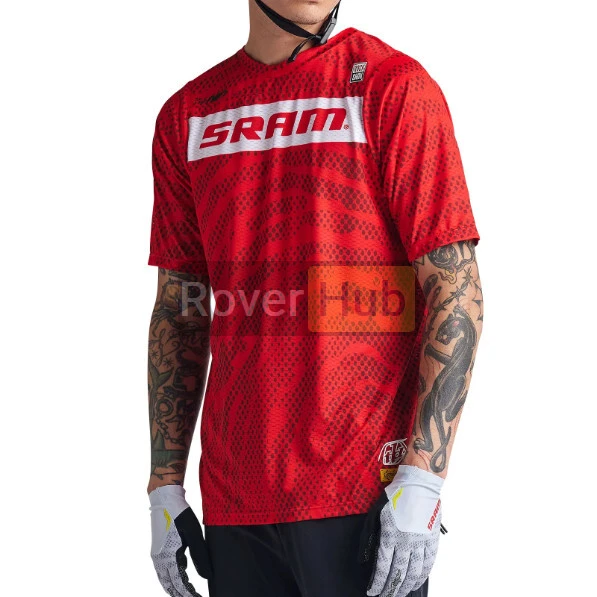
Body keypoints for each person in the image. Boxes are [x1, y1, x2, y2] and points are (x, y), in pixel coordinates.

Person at [146, 1, 484, 596]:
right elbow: (181, 310)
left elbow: (455, 289)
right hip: (234, 497)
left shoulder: (391, 86)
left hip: (365, 490)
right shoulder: (190, 114)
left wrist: (424, 478)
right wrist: (164, 484)